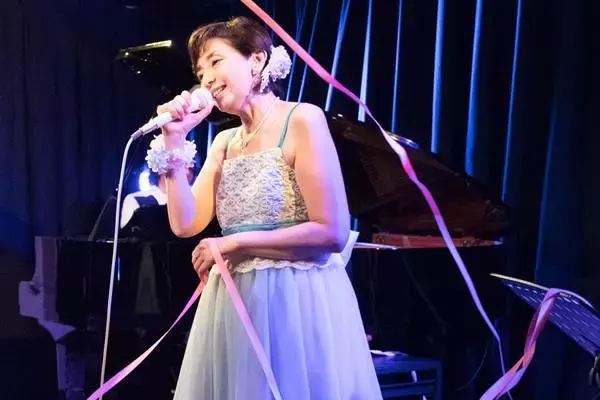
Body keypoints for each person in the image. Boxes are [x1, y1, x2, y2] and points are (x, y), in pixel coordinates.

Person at [152, 16, 382, 399]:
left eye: (215, 61)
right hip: (235, 301)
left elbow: (332, 231)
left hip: (295, 299)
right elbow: (185, 223)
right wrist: (173, 140)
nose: (206, 79)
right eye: (200, 71)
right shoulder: (224, 142)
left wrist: (234, 244)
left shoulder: (302, 119)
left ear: (256, 60)